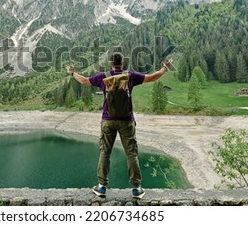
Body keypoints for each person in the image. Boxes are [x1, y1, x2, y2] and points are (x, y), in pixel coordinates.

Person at [66, 52, 172, 199]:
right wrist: (165, 68)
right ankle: (136, 188)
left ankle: (101, 187)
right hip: (127, 120)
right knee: (131, 154)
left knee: (105, 153)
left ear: (111, 63)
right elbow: (153, 77)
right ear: (123, 63)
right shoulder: (130, 75)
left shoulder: (103, 76)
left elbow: (84, 81)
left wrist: (72, 73)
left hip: (107, 121)